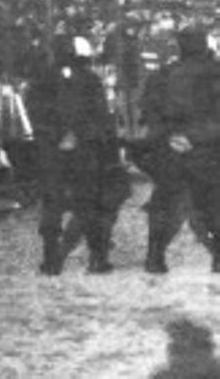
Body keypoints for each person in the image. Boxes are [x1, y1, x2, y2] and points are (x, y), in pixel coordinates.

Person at [26, 35, 123, 275]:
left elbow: (35, 116)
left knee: (52, 206)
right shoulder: (91, 80)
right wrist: (77, 135)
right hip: (84, 150)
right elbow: (100, 117)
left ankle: (50, 261)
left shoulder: (40, 81)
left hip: (51, 150)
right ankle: (97, 259)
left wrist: (58, 136)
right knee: (88, 205)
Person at [140, 26, 220, 274]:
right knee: (213, 203)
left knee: (164, 203)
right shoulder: (215, 74)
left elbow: (149, 112)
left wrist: (172, 136)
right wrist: (193, 138)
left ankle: (155, 257)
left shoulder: (162, 75)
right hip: (207, 150)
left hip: (170, 149)